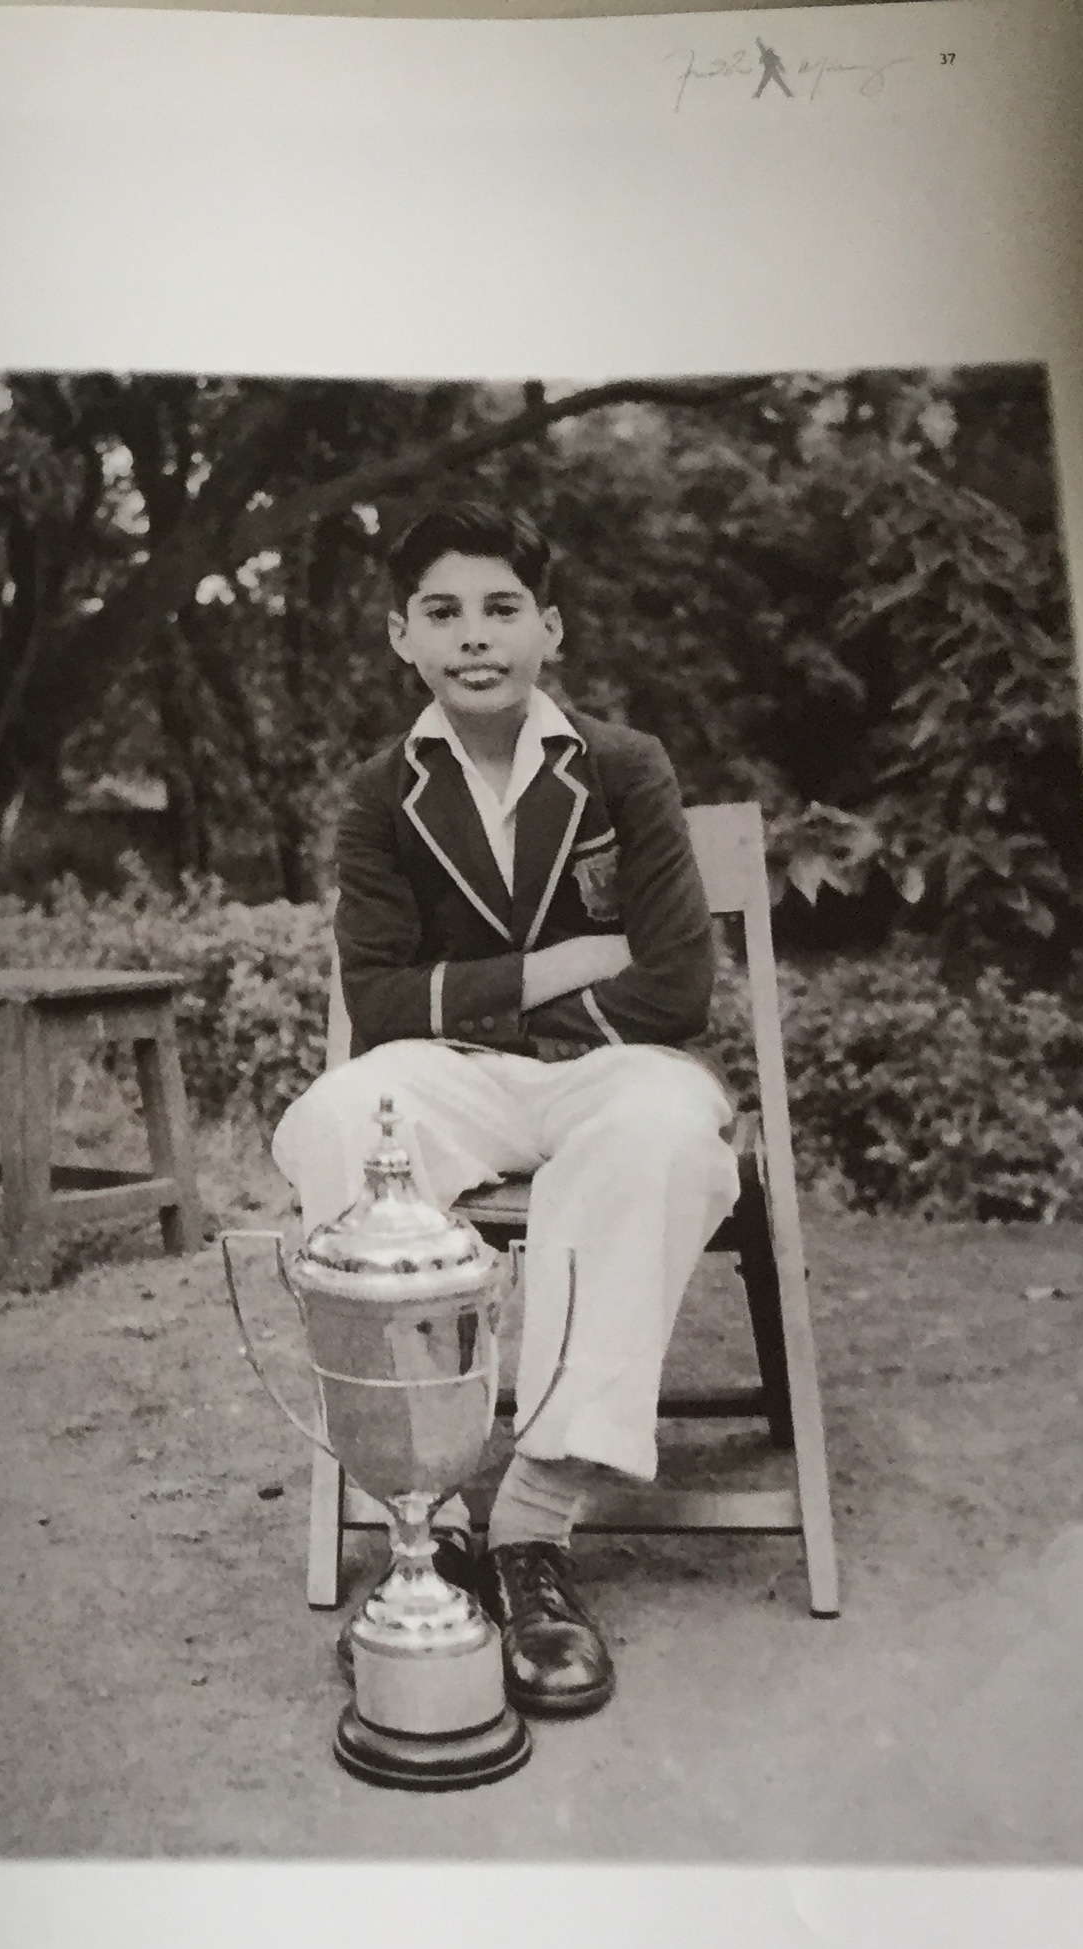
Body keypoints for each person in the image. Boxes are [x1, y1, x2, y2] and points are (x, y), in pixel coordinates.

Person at [270, 502, 737, 1718]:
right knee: (343, 1116)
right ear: (401, 637)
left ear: (551, 629)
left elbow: (676, 991)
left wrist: (483, 1001)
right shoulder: (382, 794)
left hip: (613, 1068)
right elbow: (379, 1002)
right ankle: (420, 1517)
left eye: (501, 608)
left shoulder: (624, 767)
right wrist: (560, 966)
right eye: (442, 612)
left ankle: (534, 1524)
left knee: (662, 1132)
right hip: (455, 1075)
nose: (474, 636)